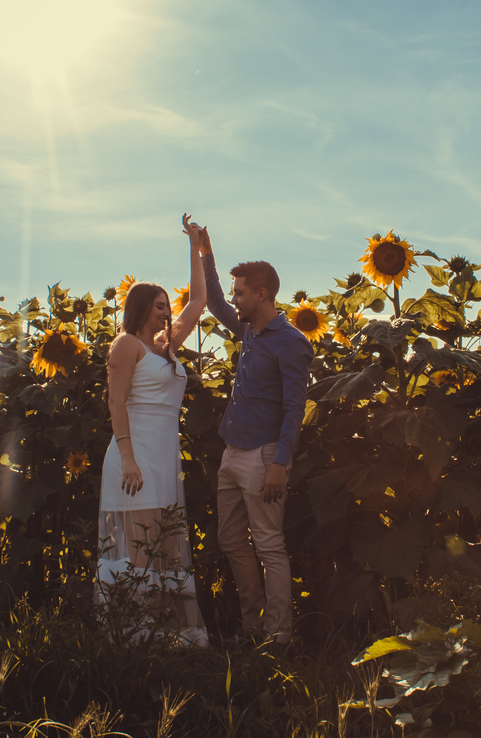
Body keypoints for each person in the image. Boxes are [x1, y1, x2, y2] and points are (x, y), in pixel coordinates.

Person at [97, 214, 208, 647]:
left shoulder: (166, 347)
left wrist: (196, 246)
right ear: (142, 308)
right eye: (160, 305)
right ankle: (134, 641)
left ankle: (165, 638)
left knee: (164, 551)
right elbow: (115, 401)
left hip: (163, 458)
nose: (167, 311)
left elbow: (197, 300)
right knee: (141, 552)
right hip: (135, 457)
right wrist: (128, 457)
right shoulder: (127, 345)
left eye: (167, 306)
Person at [199, 225, 314, 644]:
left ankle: (277, 637)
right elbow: (212, 300)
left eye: (241, 293)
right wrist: (205, 252)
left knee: (268, 545)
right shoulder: (248, 330)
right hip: (233, 452)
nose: (234, 299)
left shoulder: (291, 343)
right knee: (231, 539)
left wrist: (280, 464)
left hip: (265, 457)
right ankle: (251, 627)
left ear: (261, 294)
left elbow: (294, 408)